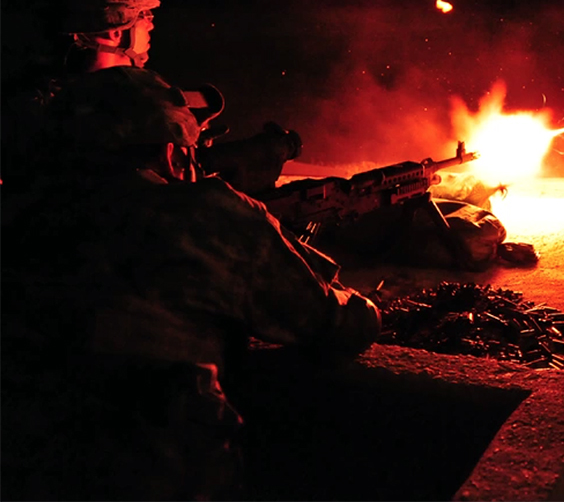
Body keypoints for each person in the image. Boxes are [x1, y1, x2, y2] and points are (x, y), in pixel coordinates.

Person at [0, 66, 382, 500]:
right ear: (169, 152)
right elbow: (334, 325)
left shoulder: (21, 212)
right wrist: (361, 303)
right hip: (154, 478)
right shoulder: (203, 214)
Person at [0, 0, 299, 194]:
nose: (152, 25)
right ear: (117, 29)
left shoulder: (34, 98)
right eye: (145, 16)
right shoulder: (137, 104)